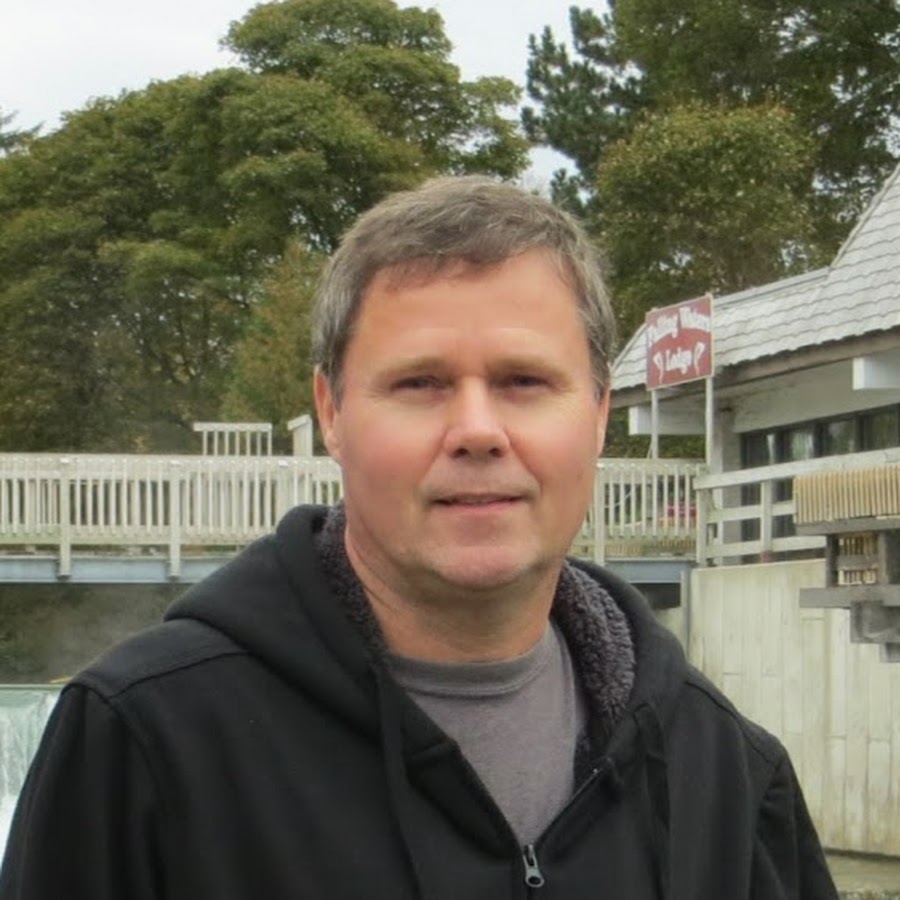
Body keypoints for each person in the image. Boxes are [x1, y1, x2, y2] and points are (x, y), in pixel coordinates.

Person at [0, 176, 838, 899]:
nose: (477, 430)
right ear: (332, 412)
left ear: (597, 414)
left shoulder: (724, 774)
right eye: (420, 383)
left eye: (524, 381)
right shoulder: (144, 744)